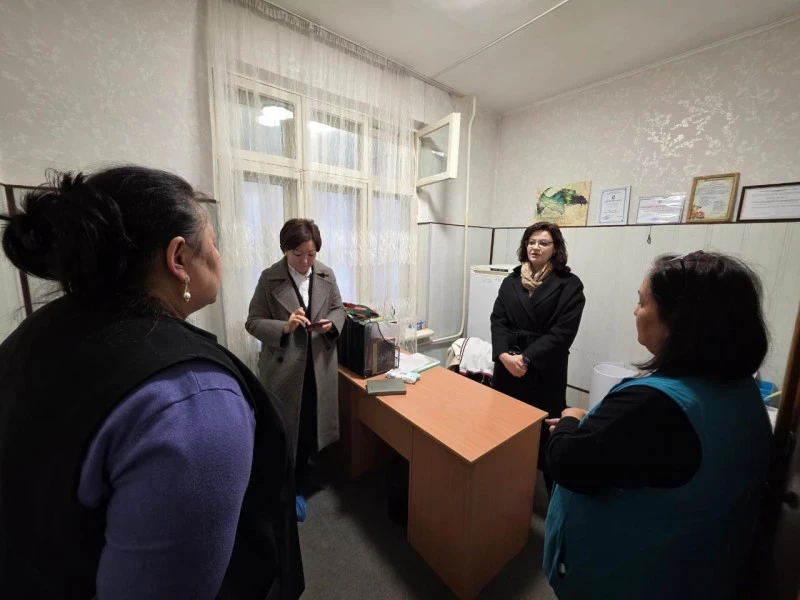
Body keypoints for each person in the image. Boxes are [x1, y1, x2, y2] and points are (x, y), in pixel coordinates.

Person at [0, 166, 304, 600]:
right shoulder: (194, 399)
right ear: (178, 258)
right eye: (214, 244)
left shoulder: (32, 334)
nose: (220, 258)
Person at [543, 251, 772, 600]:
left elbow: (567, 462)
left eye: (642, 302)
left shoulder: (654, 404)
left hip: (629, 576)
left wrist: (572, 419)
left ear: (678, 321)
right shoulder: (741, 389)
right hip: (697, 570)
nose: (635, 311)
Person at [246, 219, 345, 519]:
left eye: (311, 254)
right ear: (285, 250)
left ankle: (303, 473)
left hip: (319, 367)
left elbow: (340, 309)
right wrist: (285, 326)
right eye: (297, 254)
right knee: (288, 430)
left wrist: (332, 324)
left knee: (312, 424)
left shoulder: (326, 274)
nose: (304, 262)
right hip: (286, 369)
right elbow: (252, 322)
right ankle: (290, 489)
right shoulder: (269, 278)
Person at [490, 221, 585, 487]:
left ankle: (551, 490)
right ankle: (505, 482)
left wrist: (527, 358)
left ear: (555, 249)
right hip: (507, 366)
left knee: (545, 429)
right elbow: (498, 320)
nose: (536, 247)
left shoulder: (570, 285)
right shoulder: (511, 281)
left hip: (544, 368)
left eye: (544, 243)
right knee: (504, 426)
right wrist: (503, 355)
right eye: (531, 242)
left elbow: (563, 332)